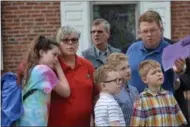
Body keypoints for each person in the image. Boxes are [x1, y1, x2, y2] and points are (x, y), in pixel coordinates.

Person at [48, 26, 99, 127]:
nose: (70, 43)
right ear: (58, 44)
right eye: (65, 40)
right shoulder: (52, 66)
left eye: (74, 40)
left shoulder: (87, 65)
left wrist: (94, 119)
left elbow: (96, 96)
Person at [16, 35, 70, 126]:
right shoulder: (44, 71)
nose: (56, 59)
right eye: (54, 54)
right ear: (41, 52)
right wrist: (58, 67)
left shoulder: (29, 69)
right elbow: (66, 92)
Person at [127, 10, 186, 93]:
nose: (149, 34)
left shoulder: (171, 51)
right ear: (139, 33)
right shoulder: (132, 48)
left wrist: (180, 70)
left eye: (153, 30)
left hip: (161, 104)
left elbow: (178, 77)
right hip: (134, 104)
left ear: (161, 30)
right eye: (145, 31)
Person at [130, 60, 187, 126]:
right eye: (154, 73)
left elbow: (180, 121)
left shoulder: (169, 96)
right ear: (145, 79)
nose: (158, 74)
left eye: (159, 71)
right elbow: (136, 124)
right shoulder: (140, 100)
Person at [106, 53, 139, 125]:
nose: (128, 71)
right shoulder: (112, 93)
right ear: (113, 71)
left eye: (128, 67)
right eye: (123, 68)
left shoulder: (134, 90)